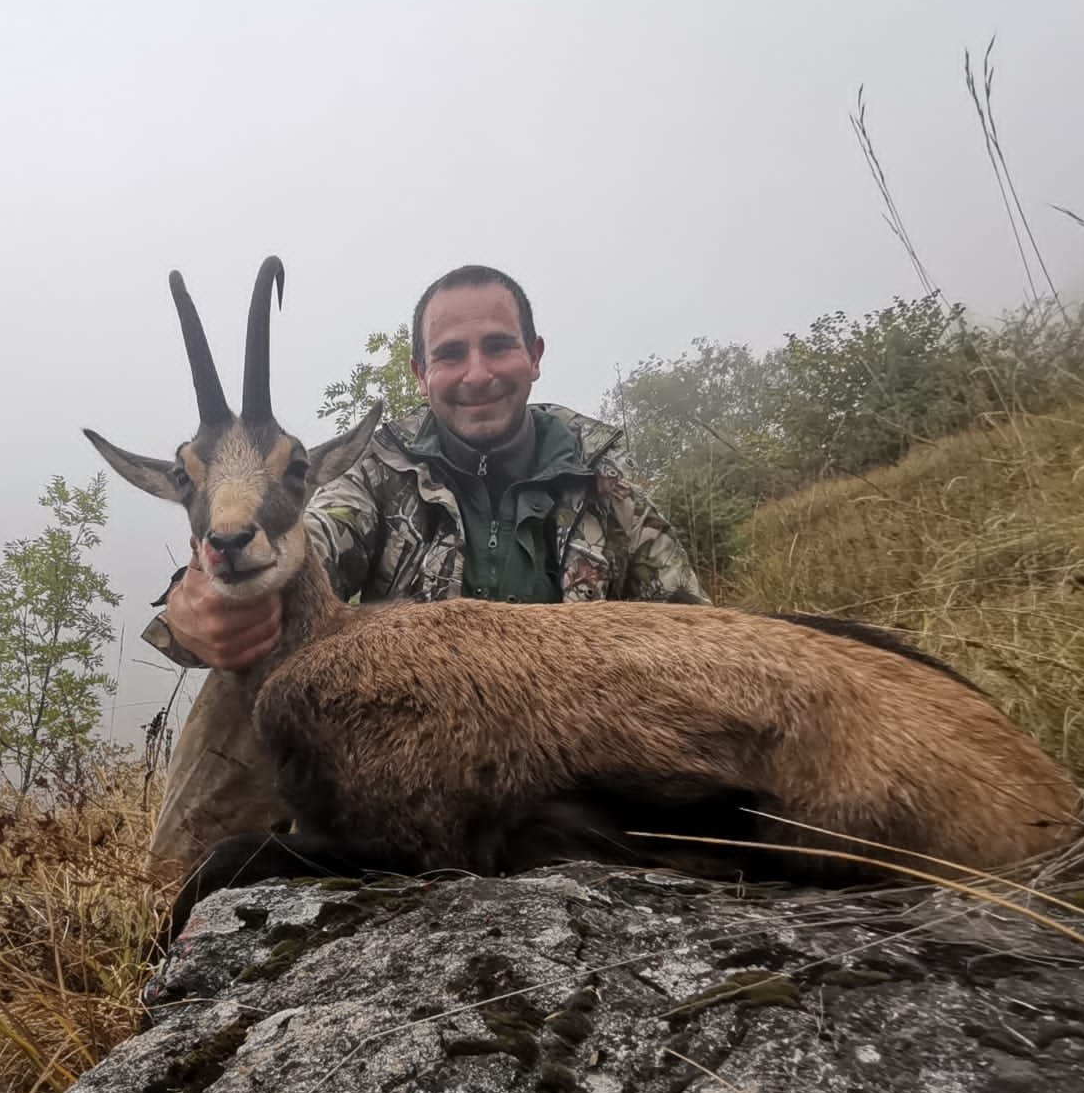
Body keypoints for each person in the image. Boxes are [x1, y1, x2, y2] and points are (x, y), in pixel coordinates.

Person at [140, 263, 709, 890]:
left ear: (534, 355)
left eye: (498, 346)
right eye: (450, 354)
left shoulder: (609, 486)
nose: (477, 373)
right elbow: (317, 540)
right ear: (420, 372)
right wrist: (199, 595)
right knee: (263, 649)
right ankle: (183, 898)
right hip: (406, 769)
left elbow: (694, 639)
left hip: (565, 767)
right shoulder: (379, 470)